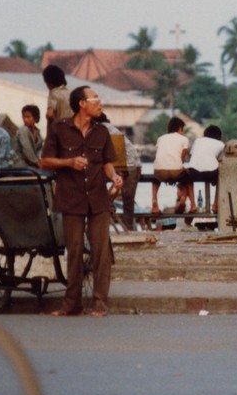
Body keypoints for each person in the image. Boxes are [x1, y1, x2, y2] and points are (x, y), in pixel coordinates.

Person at [41, 85, 123, 317]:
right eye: (95, 98)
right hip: (71, 198)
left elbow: (107, 163)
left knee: (101, 252)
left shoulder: (102, 132)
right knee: (74, 251)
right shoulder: (58, 128)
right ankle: (71, 305)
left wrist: (115, 177)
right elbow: (45, 161)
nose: (100, 102)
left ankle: (100, 303)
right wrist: (69, 163)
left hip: (98, 198)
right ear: (82, 104)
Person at [94, 112, 142, 230]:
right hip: (130, 165)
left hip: (127, 165)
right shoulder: (107, 128)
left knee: (127, 198)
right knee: (128, 200)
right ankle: (128, 228)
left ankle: (105, 221)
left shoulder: (101, 128)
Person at [151, 117, 194, 215]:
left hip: (160, 171)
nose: (183, 132)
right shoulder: (184, 139)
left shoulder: (160, 138)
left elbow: (158, 156)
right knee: (189, 178)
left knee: (155, 178)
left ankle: (154, 201)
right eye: (182, 129)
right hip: (176, 171)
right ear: (180, 128)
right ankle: (192, 204)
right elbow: (181, 160)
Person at [185, 124, 225, 212]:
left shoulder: (198, 141)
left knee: (187, 178)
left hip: (194, 172)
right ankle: (215, 204)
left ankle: (193, 204)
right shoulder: (221, 144)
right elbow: (221, 160)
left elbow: (192, 155)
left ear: (205, 134)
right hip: (211, 173)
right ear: (219, 136)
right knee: (221, 178)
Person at [11, 104, 44, 169]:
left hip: (33, 164)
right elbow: (27, 149)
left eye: (28, 117)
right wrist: (38, 163)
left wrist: (41, 161)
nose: (25, 119)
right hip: (21, 163)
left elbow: (39, 150)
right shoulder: (23, 130)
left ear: (35, 118)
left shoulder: (38, 132)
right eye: (24, 117)